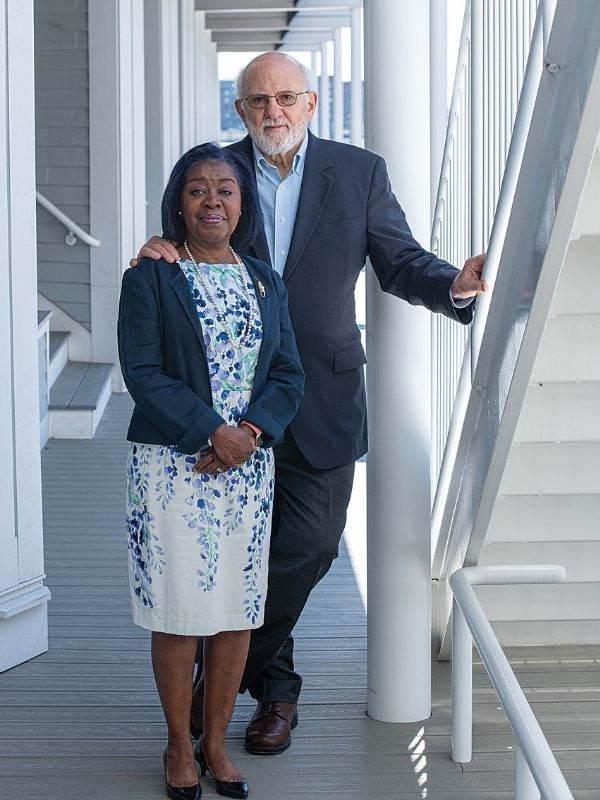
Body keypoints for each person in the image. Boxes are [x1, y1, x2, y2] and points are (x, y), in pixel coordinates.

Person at [133, 52, 487, 757]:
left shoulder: (359, 173)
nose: (274, 111)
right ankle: (279, 697)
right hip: (227, 412)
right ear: (241, 111)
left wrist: (456, 283)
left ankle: (221, 689)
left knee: (309, 546)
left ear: (312, 103)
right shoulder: (216, 170)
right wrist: (160, 248)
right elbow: (185, 245)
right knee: (246, 554)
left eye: (287, 97)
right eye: (259, 100)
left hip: (320, 397)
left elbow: (400, 260)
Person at [118, 141, 304, 799]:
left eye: (225, 189)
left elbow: (287, 371)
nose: (212, 201)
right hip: (174, 468)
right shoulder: (150, 276)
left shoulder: (264, 279)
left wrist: (249, 432)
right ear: (178, 202)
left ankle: (217, 744)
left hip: (248, 470)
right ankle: (177, 745)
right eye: (197, 189)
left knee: (235, 612)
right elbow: (142, 373)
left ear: (242, 203)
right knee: (178, 612)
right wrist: (212, 432)